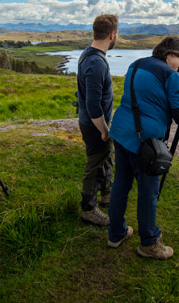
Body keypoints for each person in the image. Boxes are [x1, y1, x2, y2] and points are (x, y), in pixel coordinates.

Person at [107, 36, 179, 260]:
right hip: (145, 142)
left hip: (122, 131)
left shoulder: (136, 64)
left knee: (121, 185)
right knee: (148, 193)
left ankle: (116, 233)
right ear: (169, 55)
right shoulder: (170, 76)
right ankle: (149, 243)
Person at [76, 14, 119, 227]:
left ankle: (106, 195)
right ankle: (89, 209)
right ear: (112, 35)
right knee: (94, 164)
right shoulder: (96, 62)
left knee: (106, 156)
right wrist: (103, 129)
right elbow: (93, 104)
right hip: (94, 124)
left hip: (93, 121)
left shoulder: (89, 54)